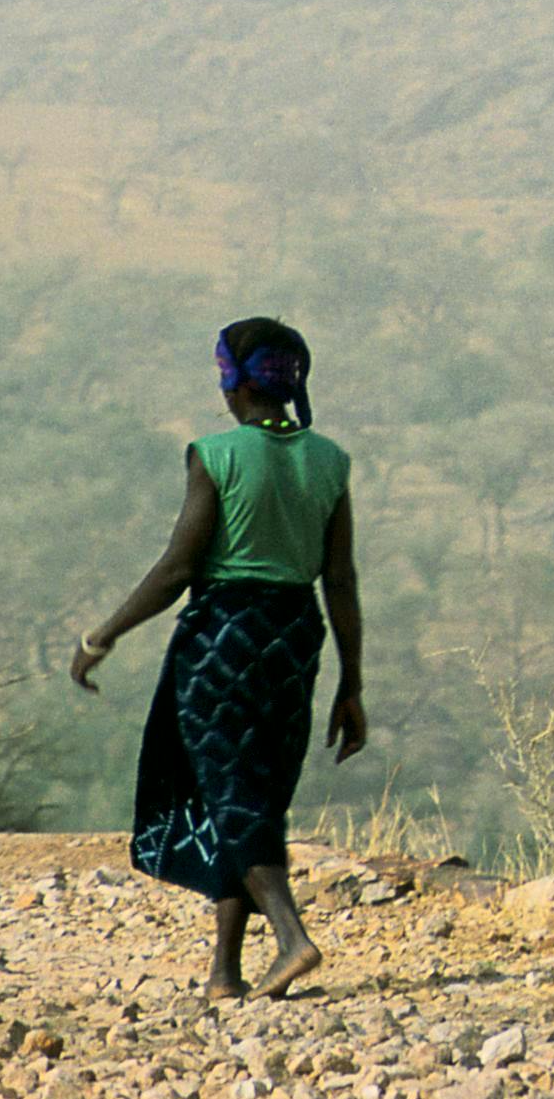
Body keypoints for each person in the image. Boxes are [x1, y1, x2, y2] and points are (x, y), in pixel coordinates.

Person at [71, 318, 368, 1000]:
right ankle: (224, 973)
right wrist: (352, 684)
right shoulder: (330, 462)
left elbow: (178, 566)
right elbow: (341, 581)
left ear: (233, 381)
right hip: (296, 640)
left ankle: (292, 938)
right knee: (249, 797)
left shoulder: (215, 455)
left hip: (223, 639)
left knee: (229, 795)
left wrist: (102, 636)